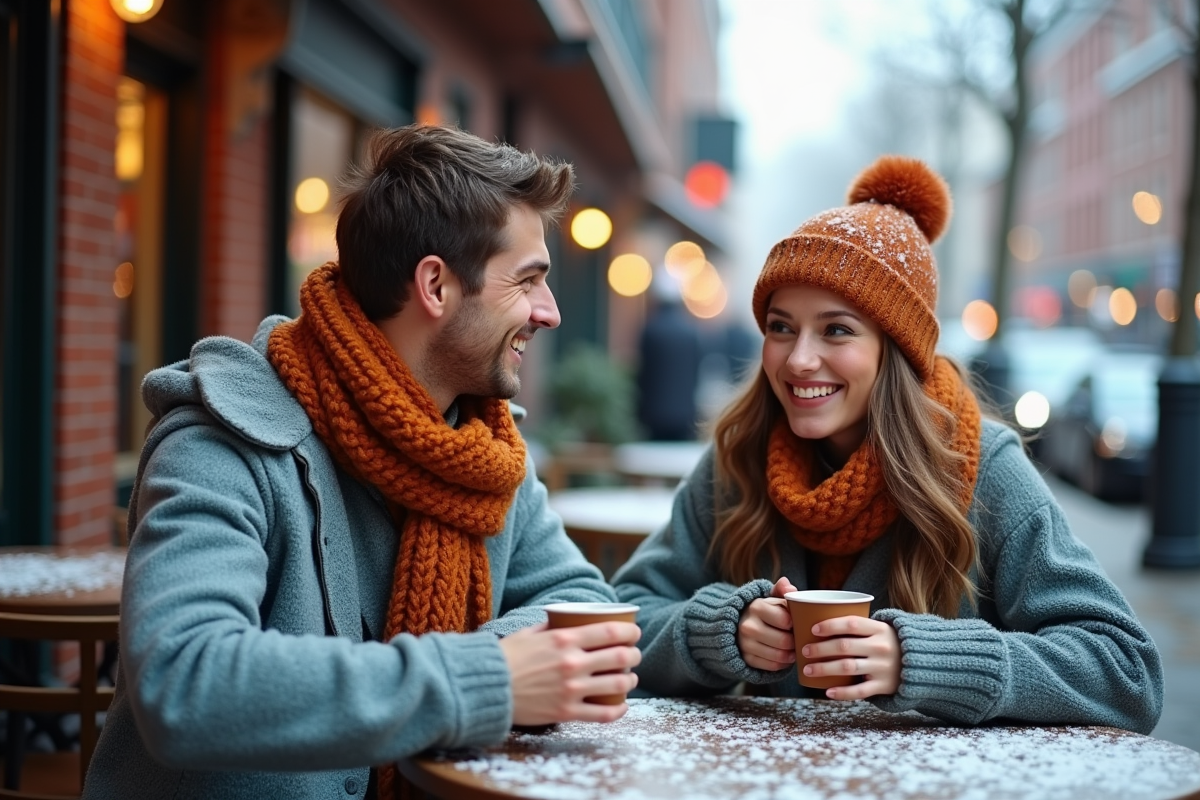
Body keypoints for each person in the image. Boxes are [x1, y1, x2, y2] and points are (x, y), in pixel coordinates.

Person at [85, 125, 641, 799]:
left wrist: (505, 663)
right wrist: (487, 677)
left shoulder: (484, 454)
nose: (548, 313)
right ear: (435, 286)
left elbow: (586, 607)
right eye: (527, 281)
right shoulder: (224, 437)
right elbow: (185, 683)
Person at [611, 155, 1163, 733]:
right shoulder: (739, 459)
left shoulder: (981, 467)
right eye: (781, 327)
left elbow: (1127, 673)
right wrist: (718, 633)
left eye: (836, 330)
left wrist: (922, 661)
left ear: (894, 349)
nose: (799, 359)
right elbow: (625, 625)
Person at [636, 271, 706, 441]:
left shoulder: (650, 330)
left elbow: (644, 373)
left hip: (654, 414)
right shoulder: (690, 331)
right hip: (685, 413)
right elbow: (696, 371)